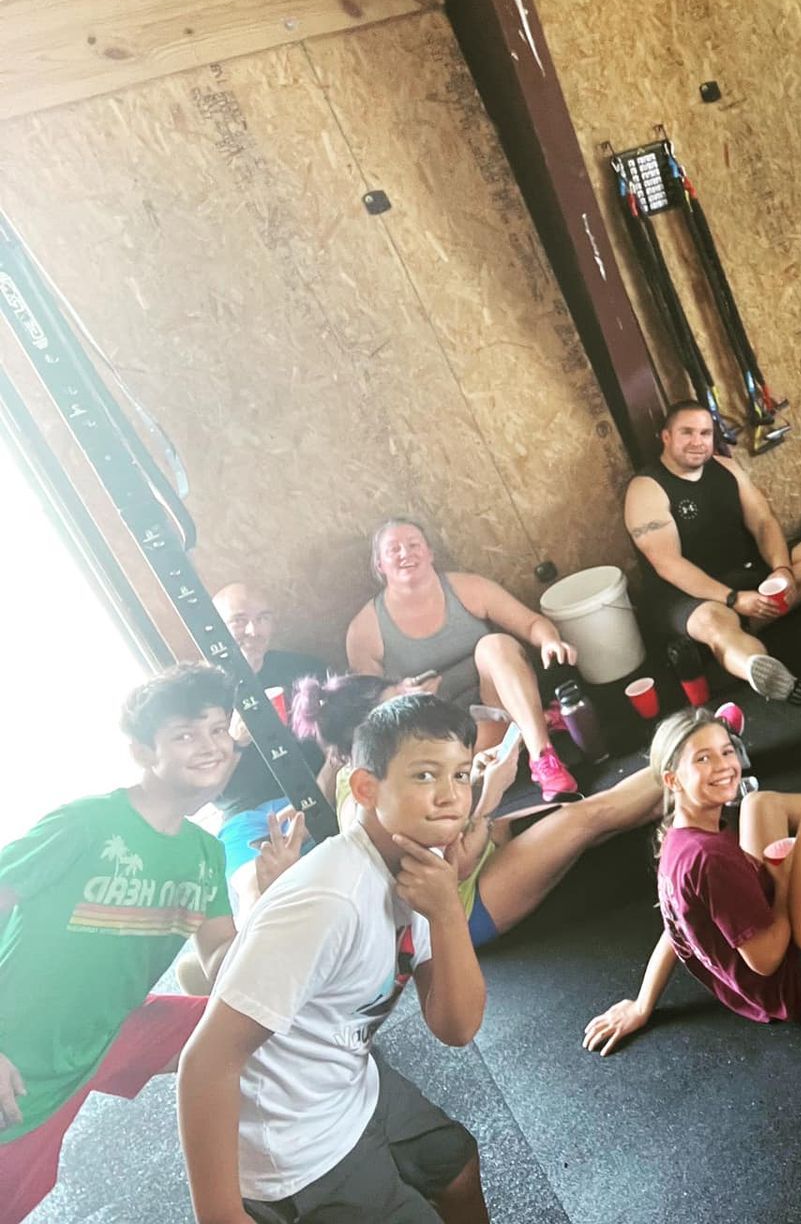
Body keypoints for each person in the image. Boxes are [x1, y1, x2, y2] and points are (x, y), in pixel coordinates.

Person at [179, 694, 489, 1224]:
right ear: (367, 789)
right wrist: (221, 1215)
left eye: (461, 775)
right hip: (295, 1142)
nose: (450, 797)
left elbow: (455, 1026)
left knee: (456, 1170)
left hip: (350, 1083)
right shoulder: (327, 899)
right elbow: (205, 1063)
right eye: (424, 776)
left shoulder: (423, 863)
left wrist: (446, 911)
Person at [0, 665, 243, 1224]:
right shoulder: (83, 824)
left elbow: (225, 960)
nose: (209, 747)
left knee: (256, 1031)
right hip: (20, 1062)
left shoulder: (205, 854)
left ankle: (271, 1182)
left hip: (111, 1033)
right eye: (185, 734)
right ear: (141, 751)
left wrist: (272, 899)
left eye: (217, 729)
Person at [580, 710, 801, 1046]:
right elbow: (766, 960)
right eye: (702, 759)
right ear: (673, 780)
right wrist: (784, 880)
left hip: (758, 922)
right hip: (798, 979)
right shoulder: (709, 860)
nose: (723, 766)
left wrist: (642, 1004)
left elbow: (675, 927)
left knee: (759, 804)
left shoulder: (679, 838)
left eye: (726, 751)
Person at [291, 673, 663, 950]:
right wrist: (492, 793)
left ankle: (684, 784)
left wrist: (475, 778)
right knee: (585, 818)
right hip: (460, 911)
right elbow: (455, 867)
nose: (408, 709)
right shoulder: (372, 802)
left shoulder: (358, 771)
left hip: (465, 858)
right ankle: (690, 756)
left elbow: (437, 811)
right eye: (395, 707)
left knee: (593, 820)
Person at [346, 517, 581, 800]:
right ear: (380, 565)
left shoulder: (467, 588)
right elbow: (366, 715)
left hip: (495, 705)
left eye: (413, 544)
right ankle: (531, 726)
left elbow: (532, 624)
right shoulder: (365, 629)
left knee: (494, 645)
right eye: (393, 550)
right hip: (444, 741)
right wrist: (400, 695)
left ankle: (542, 755)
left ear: (430, 552)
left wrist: (549, 640)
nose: (406, 554)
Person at [625, 401, 801, 705]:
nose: (698, 442)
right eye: (687, 433)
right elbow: (668, 565)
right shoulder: (646, 489)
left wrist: (782, 570)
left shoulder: (726, 467)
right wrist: (733, 599)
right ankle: (758, 668)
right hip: (686, 596)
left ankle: (742, 626)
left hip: (741, 574)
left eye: (705, 433)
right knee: (715, 620)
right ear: (666, 437)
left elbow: (763, 521)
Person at [209, 584, 331, 888]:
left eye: (263, 618)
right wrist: (236, 742)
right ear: (213, 627)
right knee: (257, 887)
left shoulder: (304, 670)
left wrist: (318, 794)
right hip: (248, 816)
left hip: (317, 791)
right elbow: (207, 791)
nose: (253, 630)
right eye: (239, 620)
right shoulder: (201, 694)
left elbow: (345, 740)